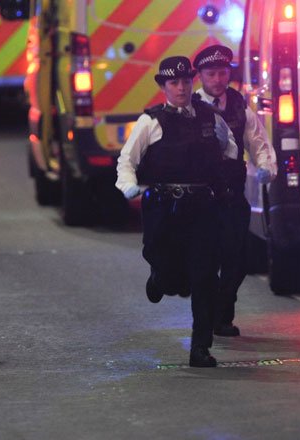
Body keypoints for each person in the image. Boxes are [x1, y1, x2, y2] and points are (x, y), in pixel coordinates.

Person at [115, 56, 238, 368]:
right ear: (163, 87)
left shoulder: (210, 118)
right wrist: (129, 186)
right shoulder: (151, 122)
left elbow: (231, 149)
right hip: (165, 209)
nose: (182, 87)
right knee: (173, 278)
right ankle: (160, 277)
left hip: (203, 209)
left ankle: (200, 349)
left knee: (205, 277)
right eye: (174, 83)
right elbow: (127, 160)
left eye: (186, 81)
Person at [192, 45, 277, 337]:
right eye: (211, 73)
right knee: (205, 261)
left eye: (223, 72)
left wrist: (266, 167)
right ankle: (209, 318)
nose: (218, 79)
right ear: (200, 76)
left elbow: (258, 141)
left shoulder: (240, 107)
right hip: (200, 200)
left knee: (236, 260)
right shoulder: (188, 109)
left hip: (231, 195)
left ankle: (222, 315)